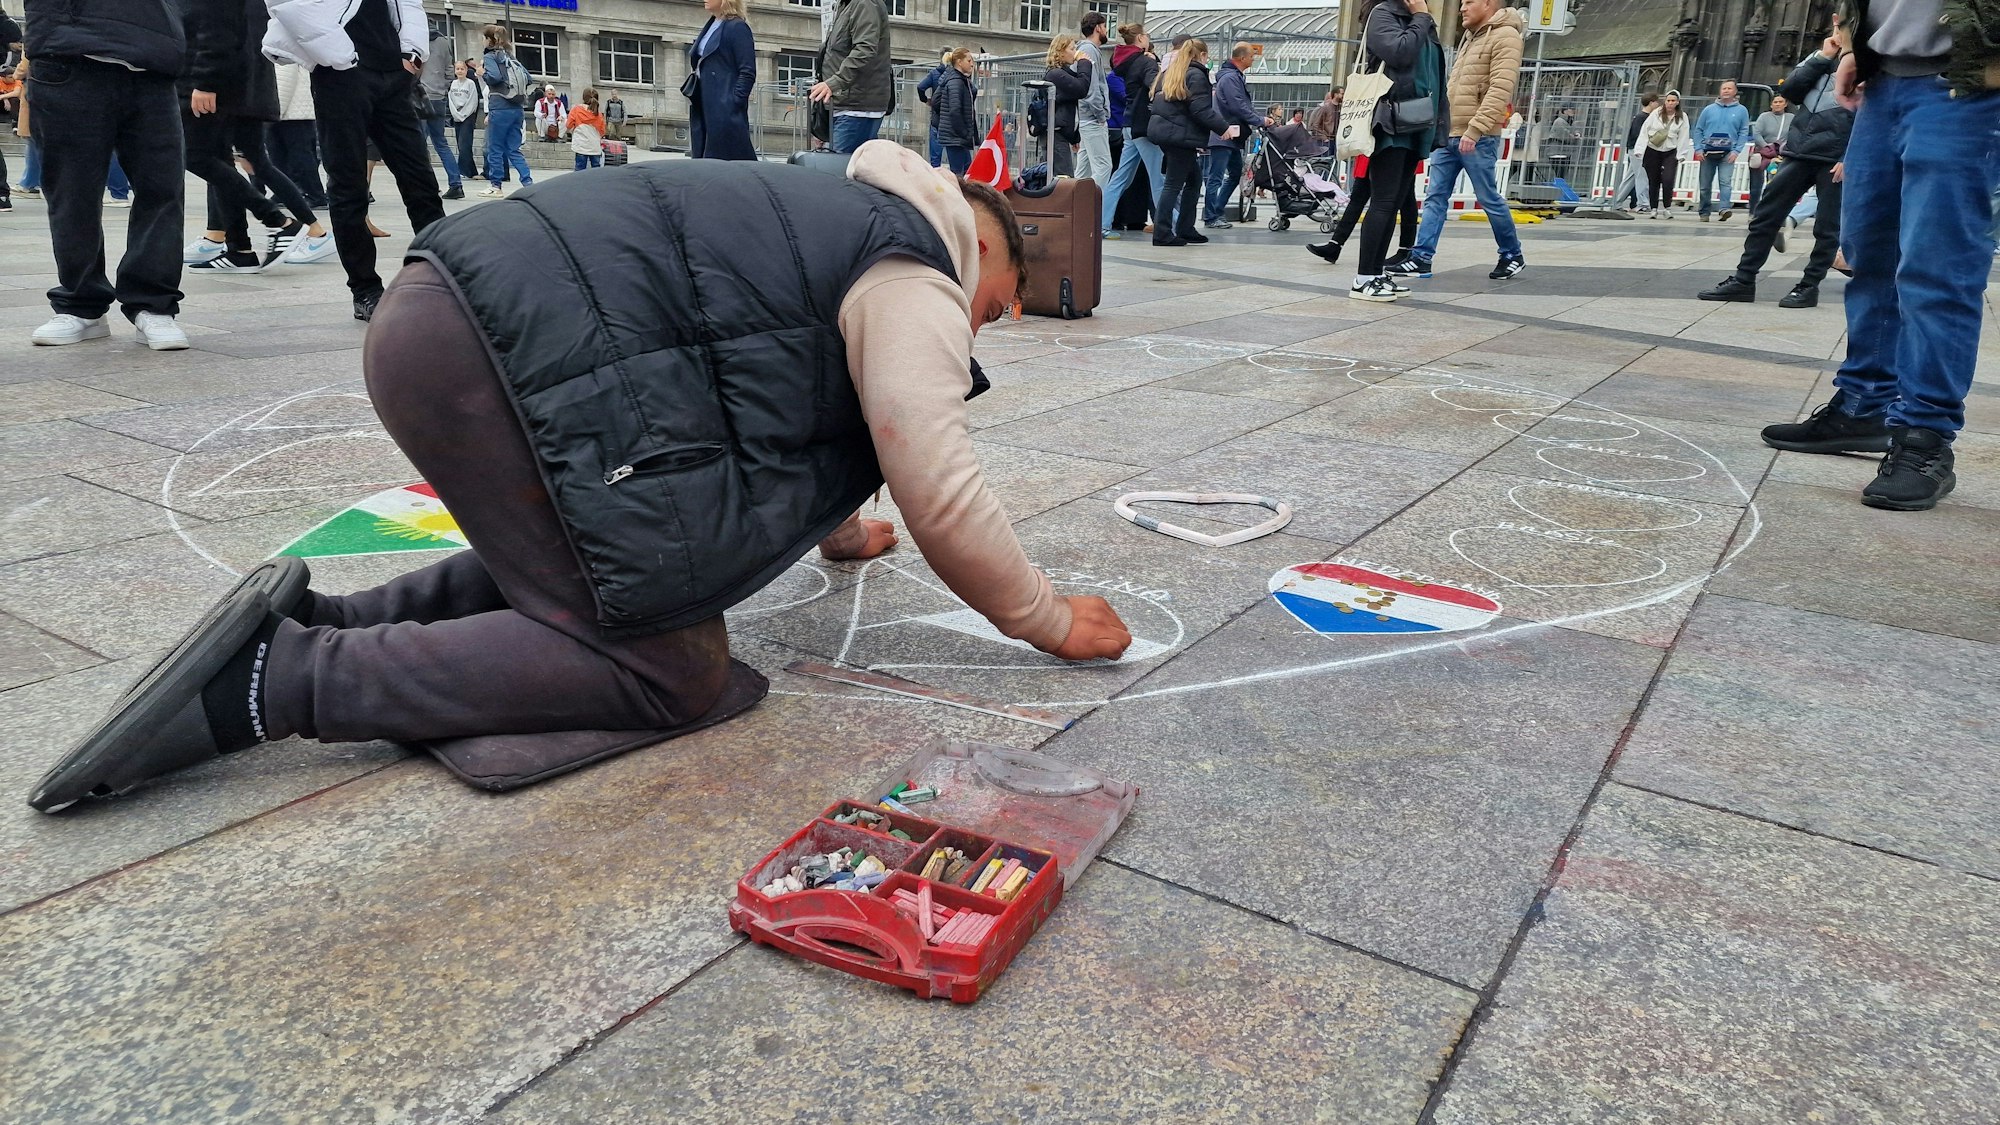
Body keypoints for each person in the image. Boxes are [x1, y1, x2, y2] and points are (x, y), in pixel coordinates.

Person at [28, 142, 1135, 814]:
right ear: (980, 245)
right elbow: (930, 468)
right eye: (1005, 295)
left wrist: (835, 533)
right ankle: (283, 678)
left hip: (444, 319)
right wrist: (1041, 619)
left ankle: (335, 613)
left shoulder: (833, 212)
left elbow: (775, 386)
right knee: (670, 664)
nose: (998, 320)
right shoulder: (916, 262)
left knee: (587, 562)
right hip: (500, 361)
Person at [1756, 5, 2000, 512]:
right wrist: (1851, 44)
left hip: (1968, 82)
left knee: (1938, 268)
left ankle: (1924, 438)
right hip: (1884, 81)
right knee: (1870, 257)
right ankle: (1865, 405)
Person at [23, 0, 190, 350]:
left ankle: (153, 304)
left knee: (161, 190)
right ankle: (81, 303)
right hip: (69, 55)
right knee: (72, 192)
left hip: (152, 63)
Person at [266, 0, 446, 323]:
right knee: (348, 184)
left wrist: (412, 52)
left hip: (392, 69)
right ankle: (365, 289)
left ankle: (445, 275)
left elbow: (408, 4)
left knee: (420, 179)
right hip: (339, 73)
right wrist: (338, 54)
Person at [1698, 38, 1852, 308]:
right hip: (1799, 151)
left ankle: (1808, 286)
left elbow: (1872, 114)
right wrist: (1822, 56)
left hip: (1835, 157)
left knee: (1827, 228)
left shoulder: (1868, 62)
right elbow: (1790, 90)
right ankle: (1744, 280)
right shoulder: (1820, 59)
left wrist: (1850, 156)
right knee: (1765, 216)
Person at [1394, 0, 1524, 282]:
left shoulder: (1506, 36)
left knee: (1488, 198)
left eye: (1468, 2)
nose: (1462, 8)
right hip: (1451, 132)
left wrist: (1475, 130)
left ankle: (1512, 254)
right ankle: (1421, 257)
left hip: (1477, 137)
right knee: (1434, 198)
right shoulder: (1471, 36)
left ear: (1488, 3)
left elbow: (1500, 89)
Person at [1339, 0, 1444, 302]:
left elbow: (1434, 75)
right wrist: (1422, 16)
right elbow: (1399, 53)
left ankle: (1375, 272)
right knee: (1383, 202)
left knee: (1394, 201)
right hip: (1390, 121)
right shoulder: (1384, 13)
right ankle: (1364, 278)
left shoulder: (1416, 20)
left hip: (1415, 121)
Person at [1147, 37, 1231, 247]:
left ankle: (1185, 228)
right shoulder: (1196, 74)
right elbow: (1201, 109)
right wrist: (1224, 128)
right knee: (1173, 184)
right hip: (1179, 136)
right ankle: (1163, 233)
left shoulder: (1171, 72)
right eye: (1207, 57)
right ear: (1201, 56)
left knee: (1193, 180)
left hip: (1167, 132)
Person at [1100, 23, 1162, 238]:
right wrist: (1157, 67)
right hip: (1143, 125)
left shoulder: (1124, 62)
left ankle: (1102, 223)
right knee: (1158, 177)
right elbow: (1157, 87)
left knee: (1120, 178)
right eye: (1147, 35)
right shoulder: (1145, 62)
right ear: (1141, 39)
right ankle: (1168, 223)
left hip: (1128, 124)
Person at [811, 0, 891, 154]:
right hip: (846, 104)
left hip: (856, 106)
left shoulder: (864, 4)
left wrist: (835, 82)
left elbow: (865, 49)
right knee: (840, 169)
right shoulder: (847, 5)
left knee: (838, 171)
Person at [686, 0, 757, 161]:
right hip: (703, 104)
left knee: (728, 165)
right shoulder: (712, 24)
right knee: (704, 162)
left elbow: (748, 72)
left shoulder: (737, 27)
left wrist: (733, 103)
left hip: (724, 109)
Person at [1201, 43, 1260, 228]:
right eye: (1251, 56)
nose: (1253, 59)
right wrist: (1259, 120)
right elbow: (1237, 105)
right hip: (1223, 133)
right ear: (1242, 58)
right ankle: (1212, 216)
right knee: (1216, 176)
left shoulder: (1233, 77)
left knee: (1235, 173)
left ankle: (1217, 210)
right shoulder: (1230, 78)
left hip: (1230, 134)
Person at [479, 26, 533, 197]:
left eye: (483, 38)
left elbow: (494, 77)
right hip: (517, 108)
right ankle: (528, 182)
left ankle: (496, 186)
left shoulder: (489, 57)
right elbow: (528, 78)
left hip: (500, 108)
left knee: (495, 148)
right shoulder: (511, 56)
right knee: (513, 149)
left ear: (489, 39)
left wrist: (482, 73)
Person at [269, 61, 327, 210]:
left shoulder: (281, 47)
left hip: (293, 113)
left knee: (300, 157)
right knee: (279, 156)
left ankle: (314, 195)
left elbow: (284, 80)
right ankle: (284, 193)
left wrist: (276, 111)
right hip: (286, 112)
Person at [1694, 80, 1749, 219]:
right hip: (1707, 152)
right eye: (1724, 88)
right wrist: (1698, 149)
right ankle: (1704, 211)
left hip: (1728, 153)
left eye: (1729, 88)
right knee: (1705, 185)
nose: (1726, 91)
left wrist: (1737, 151)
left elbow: (1743, 132)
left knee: (1725, 182)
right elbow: (1698, 130)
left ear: (1735, 92)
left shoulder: (1742, 111)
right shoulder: (1708, 110)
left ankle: (1724, 208)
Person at [417, 33, 462, 199]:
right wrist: (443, 87)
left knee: (418, 144)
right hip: (439, 97)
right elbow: (450, 70)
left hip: (420, 95)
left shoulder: (416, 36)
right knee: (440, 142)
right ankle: (456, 183)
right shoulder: (443, 41)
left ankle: (426, 186)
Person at [1074, 13, 1113, 183]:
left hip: (1086, 117)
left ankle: (1077, 206)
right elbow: (1092, 87)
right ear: (1097, 27)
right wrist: (1100, 115)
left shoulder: (1085, 49)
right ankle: (1092, 207)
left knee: (1083, 171)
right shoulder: (1089, 50)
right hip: (1092, 118)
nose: (1106, 30)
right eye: (1105, 26)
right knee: (1104, 167)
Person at [1041, 34, 1087, 177]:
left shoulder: (1062, 73)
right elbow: (1081, 88)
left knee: (1061, 177)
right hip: (1054, 134)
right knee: (1063, 178)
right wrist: (1084, 63)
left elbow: (1069, 105)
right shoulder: (1055, 74)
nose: (1075, 52)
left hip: (1061, 133)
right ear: (1061, 52)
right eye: (1072, 48)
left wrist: (1074, 137)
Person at [1639, 90, 1691, 215]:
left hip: (1670, 150)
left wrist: (1681, 154)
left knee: (1668, 179)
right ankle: (1654, 208)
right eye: (1668, 100)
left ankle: (1667, 207)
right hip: (1653, 149)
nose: (1670, 103)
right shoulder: (1656, 113)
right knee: (1653, 180)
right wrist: (1640, 149)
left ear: (1678, 102)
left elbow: (1684, 136)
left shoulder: (1682, 116)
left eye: (1673, 101)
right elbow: (1645, 130)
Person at [932, 46, 978, 174]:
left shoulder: (957, 79)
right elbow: (954, 110)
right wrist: (964, 132)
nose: (972, 64)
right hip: (956, 136)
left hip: (956, 136)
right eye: (969, 61)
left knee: (966, 170)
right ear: (959, 62)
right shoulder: (955, 81)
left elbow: (936, 101)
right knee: (959, 173)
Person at [1747, 93, 1791, 213]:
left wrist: (1781, 148)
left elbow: (1793, 134)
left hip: (1780, 155)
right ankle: (1754, 211)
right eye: (1775, 102)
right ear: (1771, 104)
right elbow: (1757, 133)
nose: (1777, 104)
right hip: (1762, 154)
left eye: (1780, 102)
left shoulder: (1791, 118)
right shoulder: (1764, 117)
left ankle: (1771, 211)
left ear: (1785, 104)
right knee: (1756, 186)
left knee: (1776, 184)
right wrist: (1767, 146)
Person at [1617, 92, 1657, 210]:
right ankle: (1643, 204)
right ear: (1651, 102)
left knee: (1631, 177)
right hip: (1638, 150)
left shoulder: (1641, 117)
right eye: (1656, 102)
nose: (1658, 104)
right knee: (1642, 176)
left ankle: (1617, 201)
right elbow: (1638, 134)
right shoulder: (1642, 117)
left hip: (1635, 149)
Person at [916, 47, 952, 167]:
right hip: (951, 119)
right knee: (955, 158)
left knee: (935, 159)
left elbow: (920, 87)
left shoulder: (934, 73)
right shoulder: (955, 74)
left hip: (937, 118)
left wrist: (926, 100)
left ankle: (935, 182)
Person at [449, 60, 481, 181]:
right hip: (457, 116)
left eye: (462, 69)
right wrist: (456, 114)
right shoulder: (453, 84)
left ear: (466, 70)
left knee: (465, 143)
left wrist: (464, 113)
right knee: (460, 143)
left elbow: (473, 100)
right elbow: (451, 100)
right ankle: (471, 171)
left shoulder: (470, 83)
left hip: (468, 116)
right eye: (457, 69)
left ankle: (461, 170)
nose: (460, 71)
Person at [562, 87, 605, 170]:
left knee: (579, 170)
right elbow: (602, 132)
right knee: (596, 171)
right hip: (594, 147)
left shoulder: (576, 110)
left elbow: (568, 125)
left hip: (581, 145)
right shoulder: (599, 115)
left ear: (583, 97)